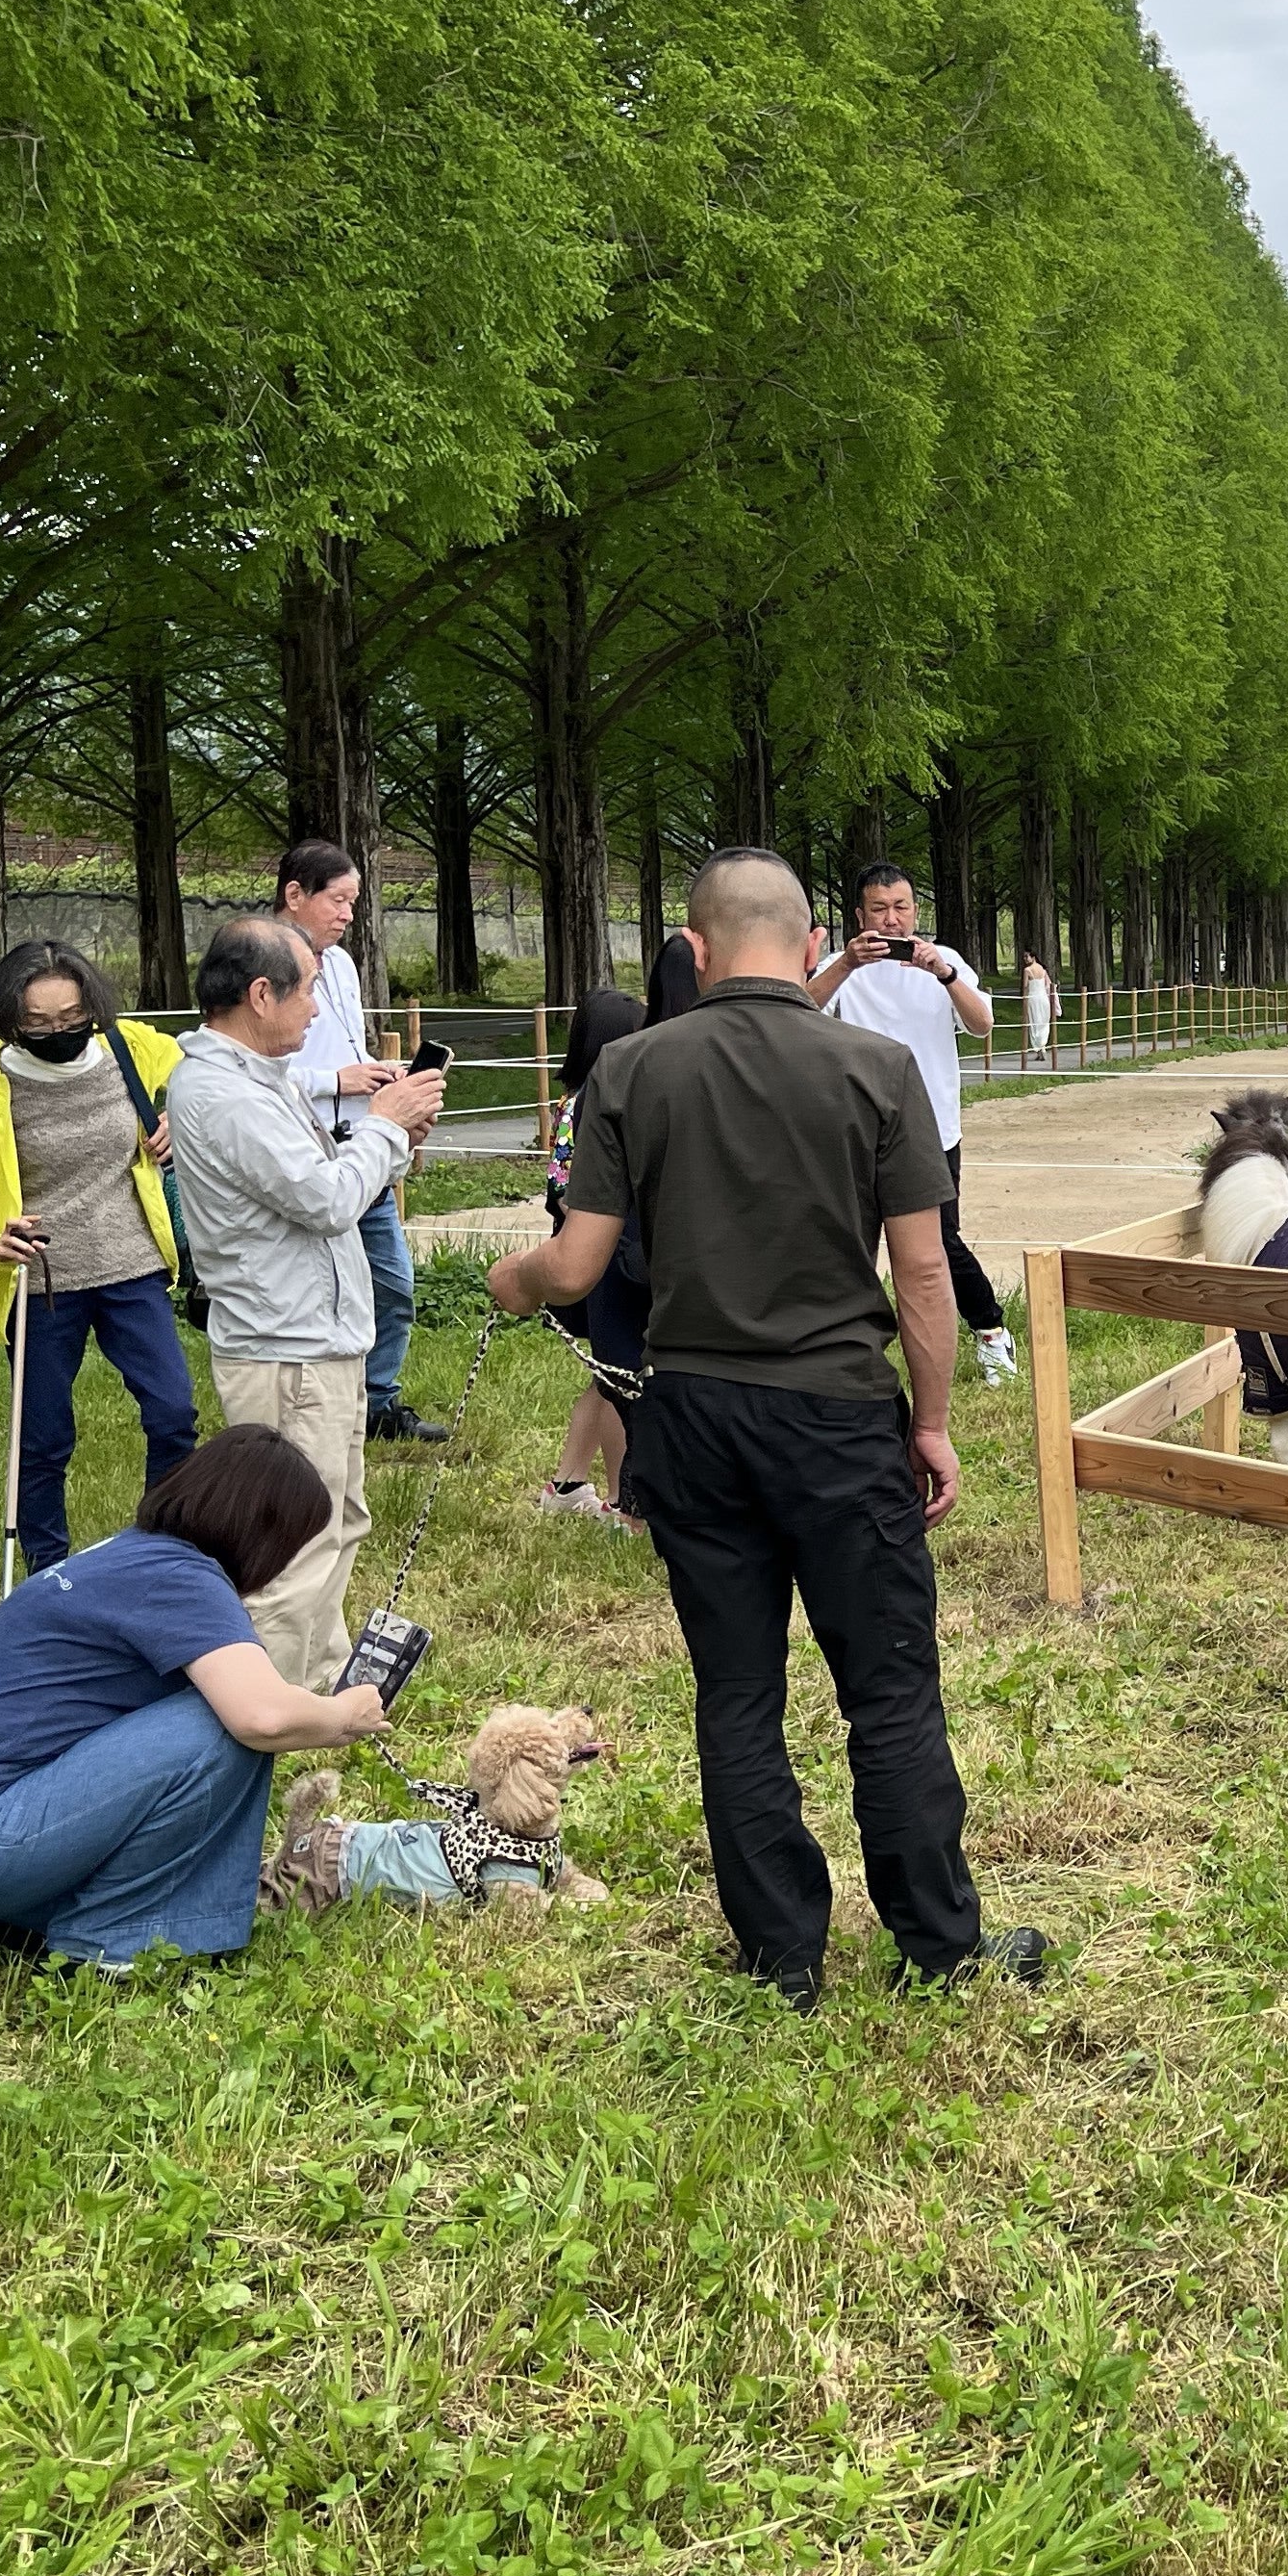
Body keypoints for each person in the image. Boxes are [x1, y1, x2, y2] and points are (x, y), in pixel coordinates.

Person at [489, 847, 1045, 2007]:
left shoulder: (631, 1068)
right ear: (812, 947)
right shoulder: (877, 1068)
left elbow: (576, 1265)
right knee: (889, 1689)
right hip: (841, 1415)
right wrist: (934, 1423)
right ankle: (939, 1946)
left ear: (694, 949)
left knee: (736, 1694)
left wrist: (515, 1281)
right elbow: (924, 1273)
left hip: (691, 1417)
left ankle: (780, 1955)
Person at [0, 1426, 389, 1970]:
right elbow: (261, 1716)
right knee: (219, 1725)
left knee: (217, 1708)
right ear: (264, 1534)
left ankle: (34, 1914)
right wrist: (341, 1716)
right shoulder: (181, 1577)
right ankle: (107, 1941)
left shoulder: (133, 1557)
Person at [166, 918, 446, 1689]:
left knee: (338, 1520)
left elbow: (324, 1181)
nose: (317, 1010)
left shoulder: (261, 1079)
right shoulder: (225, 1094)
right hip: (287, 1351)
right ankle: (270, 1711)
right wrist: (383, 1130)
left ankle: (324, 1684)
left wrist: (392, 1133)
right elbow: (325, 1201)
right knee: (292, 1544)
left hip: (319, 1341)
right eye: (309, 991)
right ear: (262, 995)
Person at [0, 940, 196, 1575]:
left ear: (92, 1006)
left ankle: (161, 1549)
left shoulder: (132, 1048)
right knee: (42, 1436)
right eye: (38, 1024)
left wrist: (179, 1118)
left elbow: (210, 1078)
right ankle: (49, 1569)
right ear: (9, 1020)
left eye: (72, 1018)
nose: (58, 1032)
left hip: (132, 1267)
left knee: (174, 1412)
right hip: (42, 1280)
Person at [804, 860, 1018, 1387]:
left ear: (916, 911)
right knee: (848, 1241)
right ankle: (848, 1347)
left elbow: (982, 1024)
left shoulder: (947, 962)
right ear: (860, 916)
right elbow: (795, 1011)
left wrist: (943, 974)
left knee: (940, 1242)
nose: (891, 919)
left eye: (901, 907)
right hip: (855, 1129)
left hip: (932, 1129)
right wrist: (846, 964)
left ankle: (991, 1330)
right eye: (879, 909)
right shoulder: (840, 967)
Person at [271, 841, 442, 1443]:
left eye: (354, 902)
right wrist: (334, 1081)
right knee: (317, 1291)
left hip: (360, 1149)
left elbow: (346, 1049)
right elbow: (244, 1072)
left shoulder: (341, 964)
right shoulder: (257, 962)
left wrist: (380, 1074)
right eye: (338, 900)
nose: (348, 914)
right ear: (295, 894)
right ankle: (315, 1409)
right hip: (302, 1157)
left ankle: (378, 1402)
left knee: (392, 1283)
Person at [535, 989, 651, 1526]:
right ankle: (623, 1499)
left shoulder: (576, 1099)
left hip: (592, 1256)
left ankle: (568, 1482)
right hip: (595, 1260)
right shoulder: (588, 1104)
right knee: (616, 1376)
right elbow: (564, 1190)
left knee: (606, 1379)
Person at [1022, 954, 1055, 1067]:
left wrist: (1024, 999)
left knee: (1035, 1023)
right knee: (1042, 1023)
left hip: (1034, 998)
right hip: (1043, 998)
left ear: (1033, 957)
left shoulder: (1027, 970)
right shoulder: (1043, 970)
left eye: (1027, 956)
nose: (1025, 959)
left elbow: (1025, 986)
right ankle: (1041, 1049)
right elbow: (1047, 985)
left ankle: (1040, 1048)